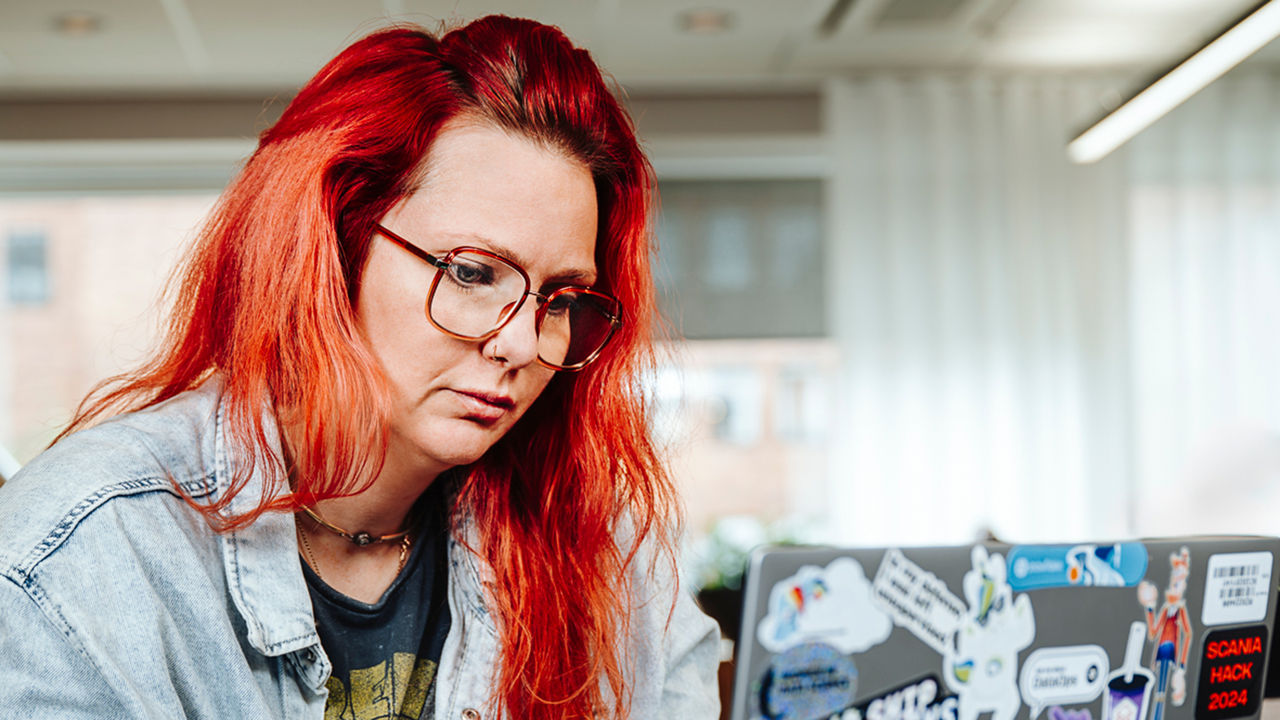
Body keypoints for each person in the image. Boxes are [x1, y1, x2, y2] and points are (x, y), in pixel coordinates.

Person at [0, 15, 720, 720]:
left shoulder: (599, 542)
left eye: (561, 299)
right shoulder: (81, 557)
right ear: (331, 250)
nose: (524, 345)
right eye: (472, 273)